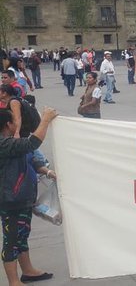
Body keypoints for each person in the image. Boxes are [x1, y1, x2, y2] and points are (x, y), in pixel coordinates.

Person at [0, 107, 58, 286]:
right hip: (12, 201)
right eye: (14, 120)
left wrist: (48, 172)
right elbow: (32, 144)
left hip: (22, 198)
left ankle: (27, 271)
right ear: (8, 124)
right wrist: (46, 120)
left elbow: (30, 158)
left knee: (22, 235)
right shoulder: (4, 144)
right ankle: (13, 281)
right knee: (12, 240)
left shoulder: (11, 142)